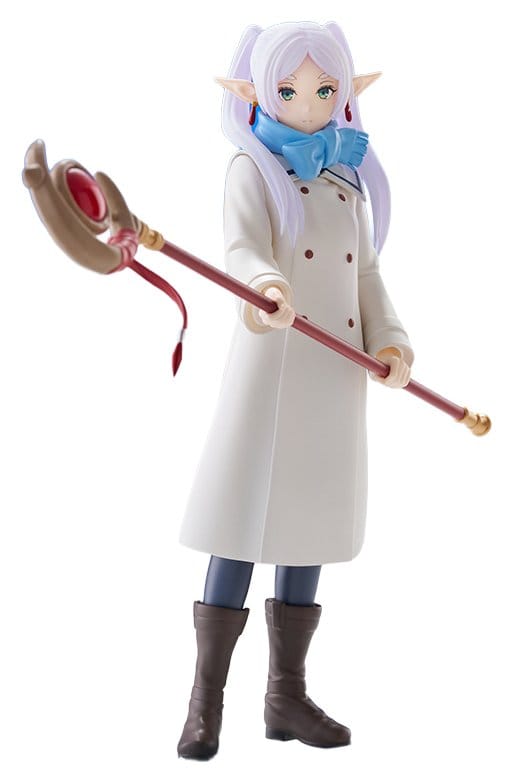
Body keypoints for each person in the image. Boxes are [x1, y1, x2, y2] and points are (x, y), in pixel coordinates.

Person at [177, 20, 413, 760]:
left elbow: (365, 273)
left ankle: (286, 697)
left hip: (333, 372)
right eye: (288, 90)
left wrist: (389, 339)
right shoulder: (251, 171)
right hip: (272, 365)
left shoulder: (347, 178)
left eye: (323, 89)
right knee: (241, 523)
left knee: (308, 521)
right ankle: (205, 702)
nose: (308, 103)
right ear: (258, 92)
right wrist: (266, 286)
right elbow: (242, 247)